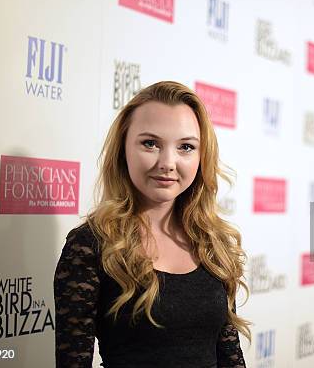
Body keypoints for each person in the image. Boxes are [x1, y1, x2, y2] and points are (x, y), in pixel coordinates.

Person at [53, 81, 250, 367]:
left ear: (201, 155)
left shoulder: (213, 242)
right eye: (150, 143)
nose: (168, 162)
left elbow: (230, 357)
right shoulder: (90, 245)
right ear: (123, 149)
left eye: (185, 147)